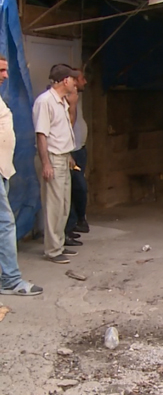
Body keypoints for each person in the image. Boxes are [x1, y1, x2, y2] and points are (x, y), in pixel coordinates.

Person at [0, 54, 43, 294]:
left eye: (6, 70)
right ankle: (10, 280)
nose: (5, 75)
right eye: (1, 70)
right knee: (5, 224)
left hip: (3, 171)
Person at [33, 64, 79, 264]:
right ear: (65, 80)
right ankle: (52, 250)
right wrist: (46, 163)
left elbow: (61, 131)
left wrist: (68, 155)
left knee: (63, 204)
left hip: (63, 156)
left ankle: (59, 244)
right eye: (73, 79)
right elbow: (42, 134)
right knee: (53, 205)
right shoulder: (45, 102)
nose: (76, 83)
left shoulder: (61, 101)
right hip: (52, 158)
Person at [63, 68, 89, 247]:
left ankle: (75, 223)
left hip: (80, 148)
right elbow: (66, 126)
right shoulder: (63, 100)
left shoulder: (76, 97)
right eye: (81, 78)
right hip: (70, 151)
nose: (84, 82)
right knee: (76, 187)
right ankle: (70, 225)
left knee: (76, 187)